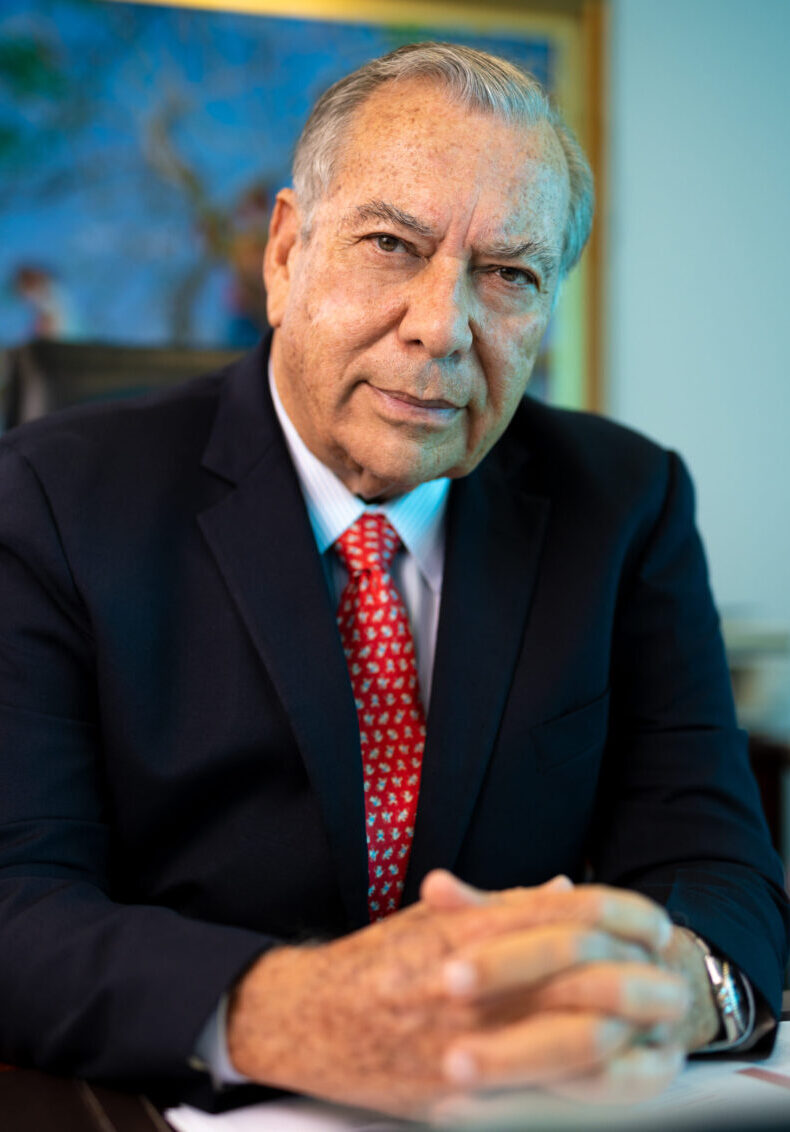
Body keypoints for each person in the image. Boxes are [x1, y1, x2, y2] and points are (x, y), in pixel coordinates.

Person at [0, 43, 787, 1124]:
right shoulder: (49, 498)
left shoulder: (625, 504)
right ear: (286, 254)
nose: (441, 325)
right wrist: (303, 1012)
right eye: (391, 245)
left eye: (509, 275)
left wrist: (665, 991)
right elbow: (16, 902)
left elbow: (723, 872)